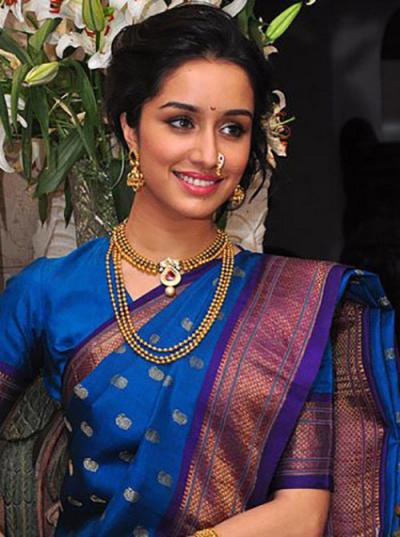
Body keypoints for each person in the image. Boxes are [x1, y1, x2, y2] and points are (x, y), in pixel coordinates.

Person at [0, 5, 399, 537]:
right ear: (130, 127)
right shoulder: (48, 291)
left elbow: (303, 511)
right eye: (181, 121)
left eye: (232, 129)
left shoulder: (294, 306)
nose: (210, 154)